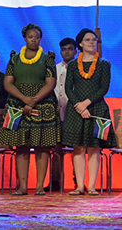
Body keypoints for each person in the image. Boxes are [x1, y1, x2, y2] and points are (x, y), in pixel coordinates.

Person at [0, 24, 60, 196]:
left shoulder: (48, 58)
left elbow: (51, 83)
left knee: (42, 146)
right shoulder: (14, 59)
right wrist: (24, 99)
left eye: (37, 37)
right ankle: (23, 186)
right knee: (21, 146)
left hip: (43, 106)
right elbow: (8, 83)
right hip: (18, 105)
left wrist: (33, 100)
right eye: (31, 37)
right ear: (25, 38)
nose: (34, 40)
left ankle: (40, 186)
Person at [63, 28, 113, 196]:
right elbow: (68, 88)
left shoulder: (104, 64)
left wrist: (86, 103)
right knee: (78, 148)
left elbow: (104, 88)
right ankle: (79, 186)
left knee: (94, 148)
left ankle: (91, 186)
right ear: (80, 44)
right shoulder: (72, 65)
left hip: (96, 108)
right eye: (88, 40)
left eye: (94, 40)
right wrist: (79, 106)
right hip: (76, 110)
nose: (92, 42)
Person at [51, 37, 77, 191]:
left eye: (70, 49)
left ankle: (78, 182)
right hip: (57, 115)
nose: (67, 52)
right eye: (64, 49)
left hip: (74, 116)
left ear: (76, 51)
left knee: (76, 151)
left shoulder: (80, 69)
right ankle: (55, 182)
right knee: (56, 151)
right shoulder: (54, 69)